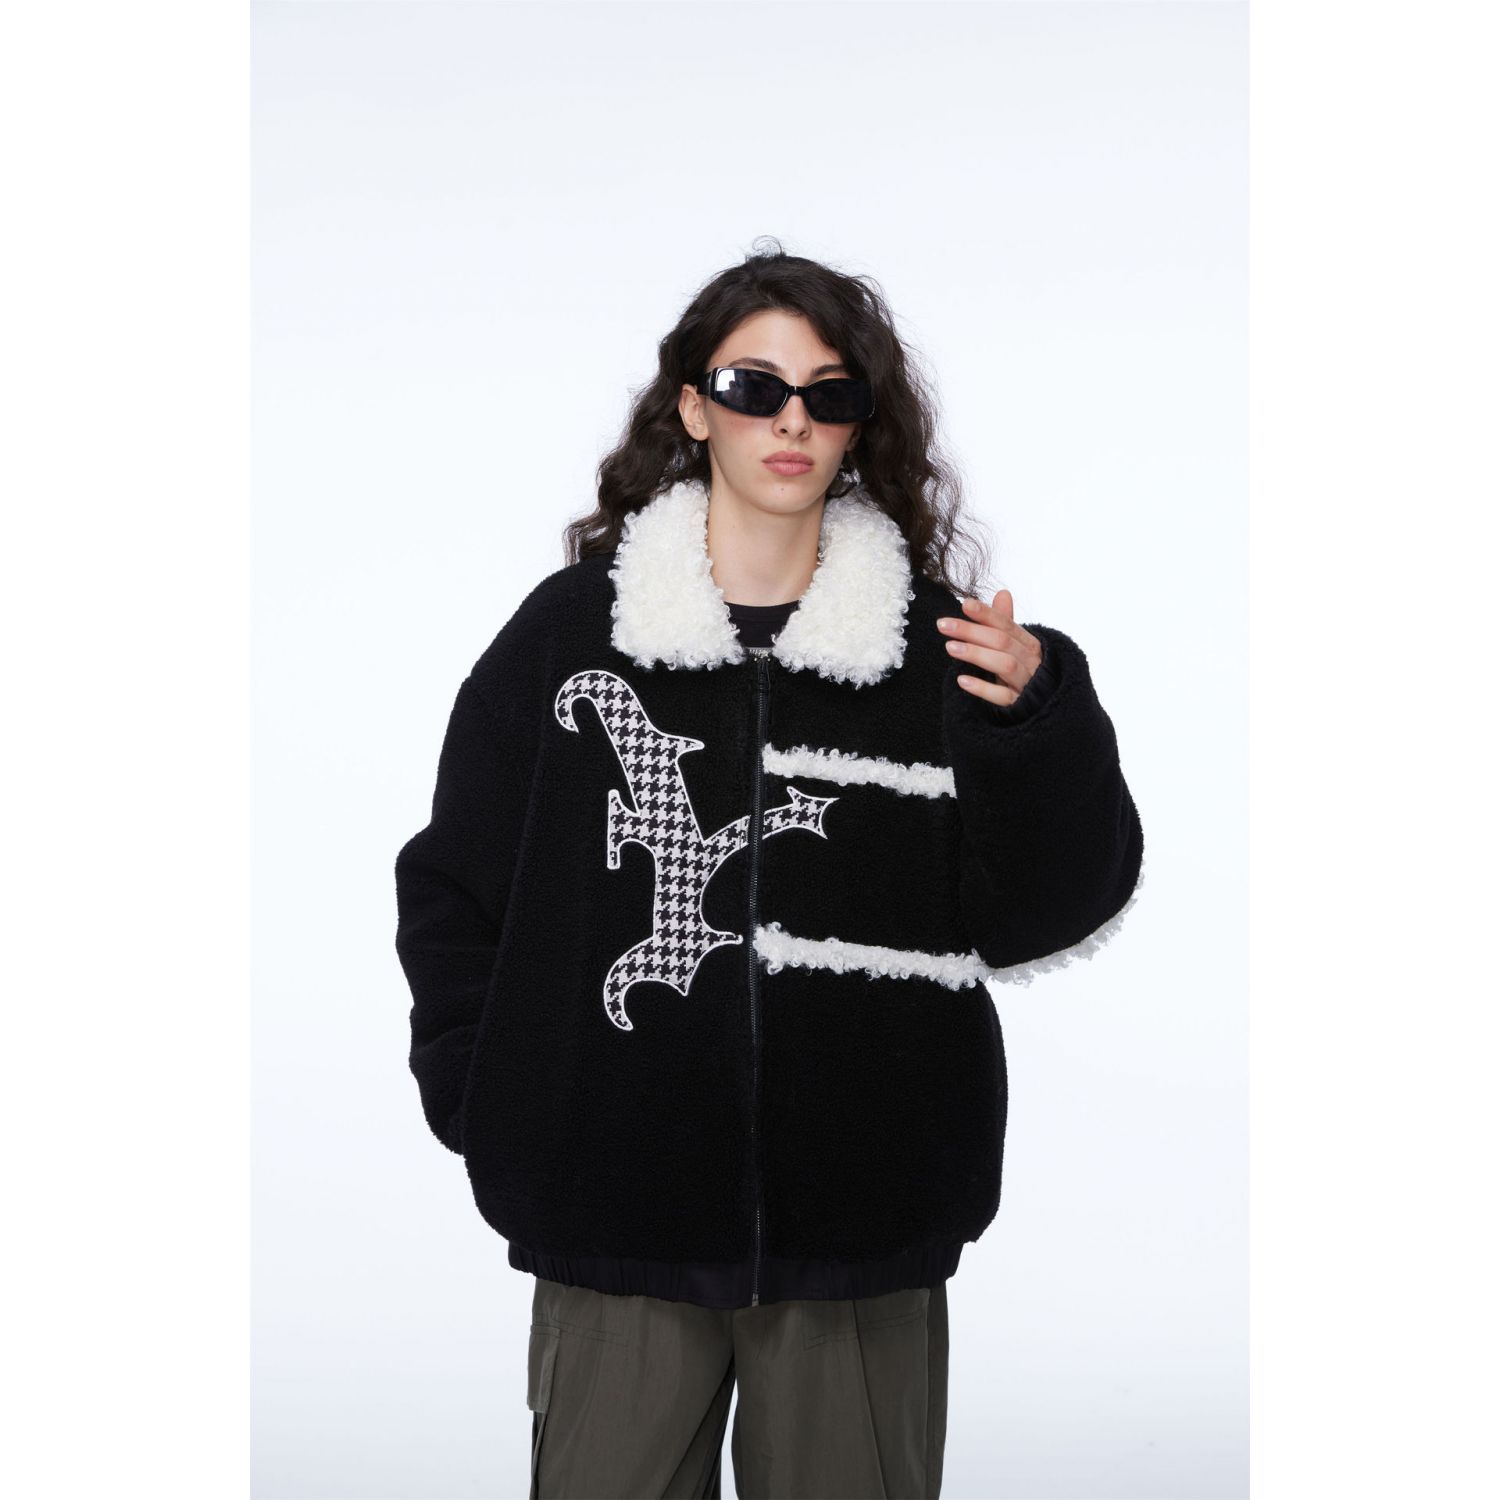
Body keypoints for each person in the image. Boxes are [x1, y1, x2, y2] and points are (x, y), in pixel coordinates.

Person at [393, 240, 1145, 1499]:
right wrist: (494, 1107)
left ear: (861, 423)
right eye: (755, 388)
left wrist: (1036, 725)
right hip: (613, 1211)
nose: (792, 420)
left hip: (866, 1225)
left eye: (829, 393)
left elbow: (1043, 912)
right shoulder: (571, 638)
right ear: (695, 408)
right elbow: (455, 890)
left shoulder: (941, 653)